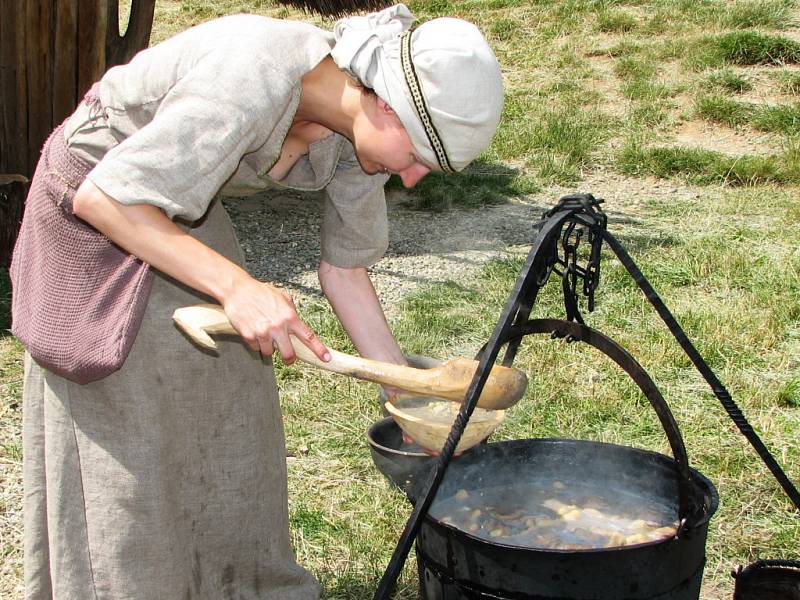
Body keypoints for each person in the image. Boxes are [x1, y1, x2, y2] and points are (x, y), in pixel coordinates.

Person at [9, 4, 503, 599]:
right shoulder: (252, 74)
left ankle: (235, 585)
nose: (415, 178)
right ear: (387, 105)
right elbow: (108, 198)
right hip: (95, 202)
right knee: (134, 436)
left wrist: (404, 392)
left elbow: (345, 271)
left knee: (234, 404)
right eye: (421, 157)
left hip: (177, 202)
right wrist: (238, 288)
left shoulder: (359, 137)